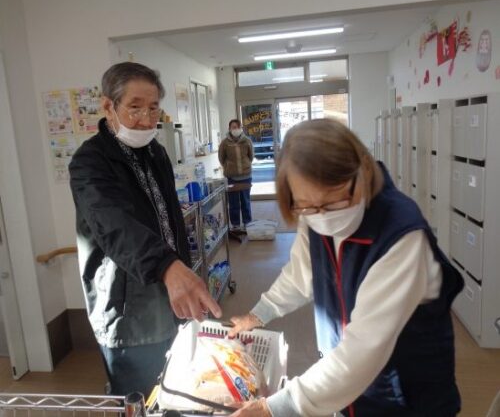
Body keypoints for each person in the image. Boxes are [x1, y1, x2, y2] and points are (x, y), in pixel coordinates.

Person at [229, 118, 464, 417]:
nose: (322, 216)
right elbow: (300, 275)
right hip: (351, 390)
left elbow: (361, 352)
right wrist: (258, 314)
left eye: (334, 202)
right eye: (306, 205)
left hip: (404, 398)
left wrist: (273, 408)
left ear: (363, 170)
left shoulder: (401, 237)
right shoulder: (313, 215)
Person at [69, 62, 221, 397]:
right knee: (140, 398)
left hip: (169, 295)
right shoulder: (89, 162)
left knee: (177, 390)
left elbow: (170, 220)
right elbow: (115, 226)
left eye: (153, 108)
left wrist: (182, 266)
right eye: (135, 108)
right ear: (108, 106)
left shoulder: (156, 152)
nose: (147, 119)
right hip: (127, 310)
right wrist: (167, 266)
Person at [218, 119, 253, 229]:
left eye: (238, 127)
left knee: (245, 201)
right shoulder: (225, 143)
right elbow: (221, 158)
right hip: (231, 178)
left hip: (246, 177)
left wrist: (244, 166)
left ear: (241, 128)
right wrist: (229, 167)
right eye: (233, 127)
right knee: (233, 203)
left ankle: (247, 222)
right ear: (229, 129)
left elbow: (251, 156)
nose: (236, 129)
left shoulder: (247, 140)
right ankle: (236, 224)